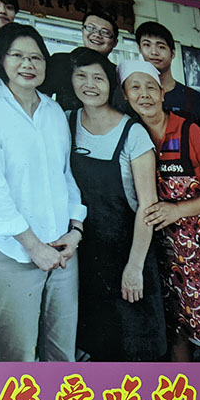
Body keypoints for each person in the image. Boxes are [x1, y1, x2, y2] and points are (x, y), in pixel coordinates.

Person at [0, 23, 87, 362]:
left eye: (36, 57)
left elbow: (65, 175)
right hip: (11, 251)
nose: (28, 64)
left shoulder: (53, 111)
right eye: (18, 55)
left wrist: (75, 230)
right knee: (17, 356)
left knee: (63, 352)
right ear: (1, 59)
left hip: (62, 248)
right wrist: (32, 245)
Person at [119, 59, 200, 362]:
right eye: (135, 88)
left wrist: (177, 211)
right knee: (176, 340)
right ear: (125, 96)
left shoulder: (189, 132)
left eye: (151, 88)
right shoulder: (131, 137)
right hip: (163, 259)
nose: (144, 94)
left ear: (162, 95)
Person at [66, 48, 166, 361]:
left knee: (135, 347)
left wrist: (134, 267)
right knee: (97, 344)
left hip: (129, 252)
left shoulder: (133, 132)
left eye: (98, 77)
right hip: (86, 255)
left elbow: (148, 207)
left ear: (111, 84)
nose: (89, 84)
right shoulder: (67, 121)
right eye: (81, 76)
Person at [135, 21, 200, 142]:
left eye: (161, 47)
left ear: (173, 53)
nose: (154, 52)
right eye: (147, 45)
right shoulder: (133, 98)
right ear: (139, 49)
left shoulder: (194, 99)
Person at [41, 10, 120, 111]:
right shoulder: (60, 61)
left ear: (115, 42)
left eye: (105, 32)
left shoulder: (117, 73)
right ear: (82, 31)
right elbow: (42, 99)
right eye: (91, 28)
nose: (96, 35)